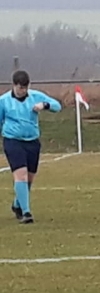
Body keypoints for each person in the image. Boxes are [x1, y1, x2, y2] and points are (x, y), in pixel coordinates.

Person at [0, 70, 62, 225]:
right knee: (20, 175)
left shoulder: (35, 96)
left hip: (32, 142)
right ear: (14, 85)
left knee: (29, 178)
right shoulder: (4, 101)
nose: (23, 91)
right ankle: (26, 212)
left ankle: (17, 204)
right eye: (20, 88)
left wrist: (45, 105)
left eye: (25, 88)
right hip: (13, 141)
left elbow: (57, 106)